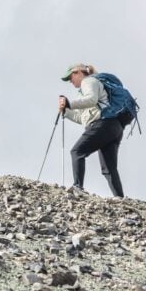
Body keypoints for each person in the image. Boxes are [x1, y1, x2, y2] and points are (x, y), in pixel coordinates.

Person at [59, 63, 124, 198]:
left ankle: (78, 187)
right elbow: (82, 118)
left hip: (103, 124)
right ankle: (120, 199)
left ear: (78, 72)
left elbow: (91, 100)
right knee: (109, 169)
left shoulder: (89, 81)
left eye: (70, 77)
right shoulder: (87, 88)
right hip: (114, 127)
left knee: (77, 151)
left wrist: (69, 103)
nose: (70, 81)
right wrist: (66, 111)